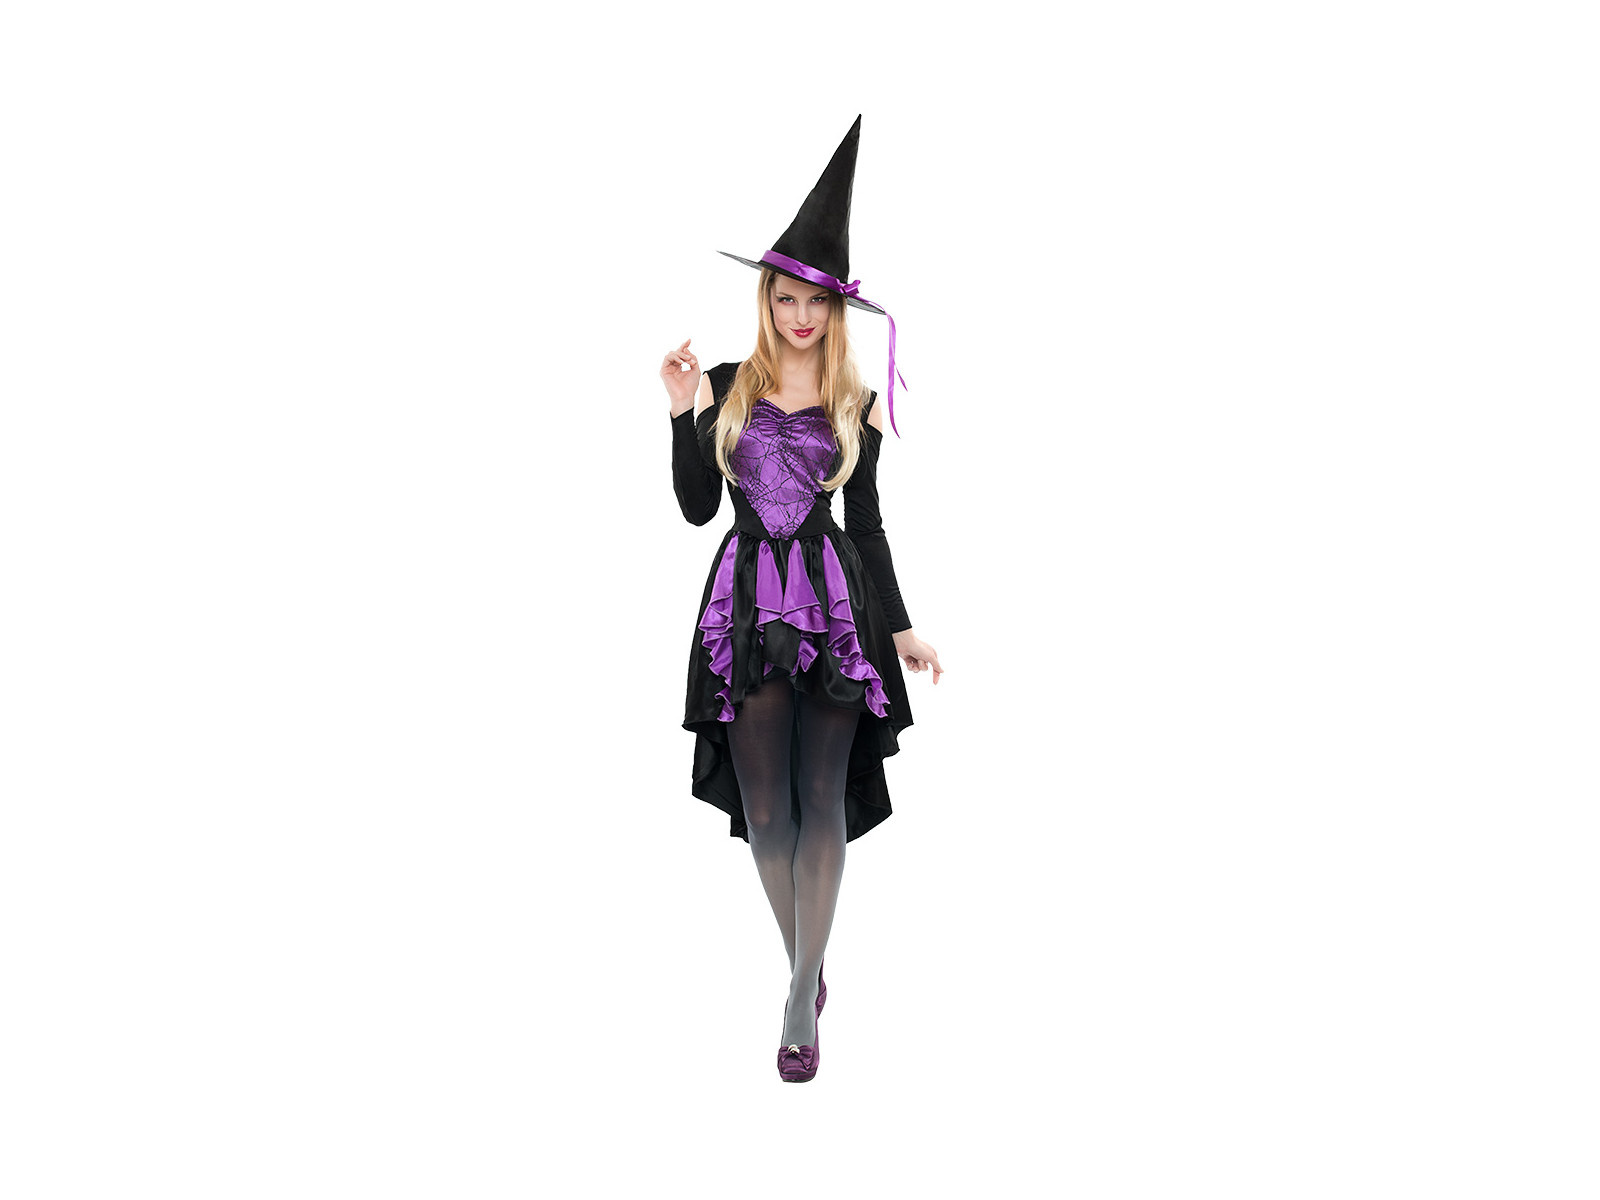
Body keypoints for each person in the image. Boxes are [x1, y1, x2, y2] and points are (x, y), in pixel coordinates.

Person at [661, 116, 943, 1083]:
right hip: (745, 605)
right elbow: (698, 509)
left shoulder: (856, 401)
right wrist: (682, 413)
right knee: (765, 808)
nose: (800, 316)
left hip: (832, 605)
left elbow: (867, 525)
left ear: (837, 307)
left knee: (822, 796)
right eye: (786, 298)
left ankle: (795, 1000)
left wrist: (900, 628)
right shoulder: (727, 385)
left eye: (816, 301)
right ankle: (807, 965)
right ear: (767, 299)